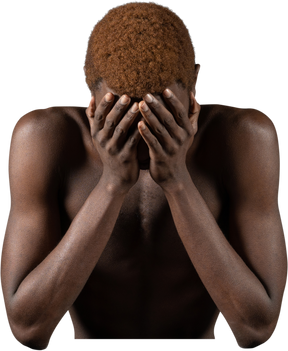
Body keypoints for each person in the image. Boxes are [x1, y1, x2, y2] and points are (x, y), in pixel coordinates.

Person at [1, 1, 287, 349]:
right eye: (118, 119)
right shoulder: (45, 139)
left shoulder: (243, 139)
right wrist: (110, 185)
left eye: (163, 116)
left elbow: (256, 330)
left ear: (195, 88)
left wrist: (177, 181)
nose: (143, 140)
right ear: (89, 91)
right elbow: (27, 331)